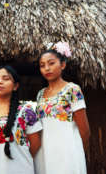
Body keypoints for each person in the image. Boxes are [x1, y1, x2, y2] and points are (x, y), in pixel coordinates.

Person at [34, 42, 90, 174]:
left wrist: (77, 153)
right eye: (42, 65)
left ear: (63, 65)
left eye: (51, 63)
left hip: (68, 154)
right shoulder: (40, 94)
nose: (47, 68)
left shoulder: (72, 90)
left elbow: (85, 131)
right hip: (45, 154)